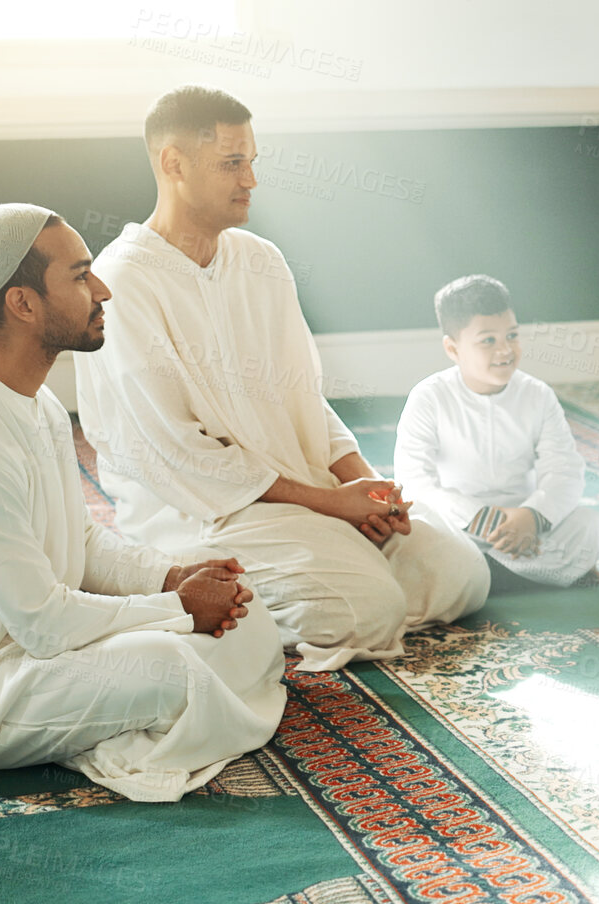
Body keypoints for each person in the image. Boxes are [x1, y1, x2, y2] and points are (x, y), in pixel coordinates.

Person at [0, 203, 285, 801]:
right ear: (24, 303)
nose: (103, 290)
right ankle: (135, 734)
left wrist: (171, 575)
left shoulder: (31, 402)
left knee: (250, 619)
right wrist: (179, 609)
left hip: (38, 652)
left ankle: (150, 725)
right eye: (81, 276)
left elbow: (80, 542)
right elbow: (42, 624)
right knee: (172, 666)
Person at [75, 86, 488, 671]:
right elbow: (175, 457)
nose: (250, 180)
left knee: (461, 574)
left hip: (303, 487)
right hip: (203, 512)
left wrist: (366, 489)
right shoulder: (123, 282)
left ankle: (339, 568)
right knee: (365, 609)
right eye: (231, 163)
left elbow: (304, 401)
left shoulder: (260, 260)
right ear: (173, 164)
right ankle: (206, 590)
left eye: (252, 161)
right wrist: (329, 504)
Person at [393, 275, 599, 588]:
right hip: (461, 525)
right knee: (416, 531)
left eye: (512, 335)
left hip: (528, 526)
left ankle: (486, 577)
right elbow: (415, 481)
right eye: (488, 340)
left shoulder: (537, 395)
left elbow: (565, 470)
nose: (505, 350)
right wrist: (487, 521)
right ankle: (529, 574)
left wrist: (532, 516)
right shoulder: (429, 397)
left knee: (590, 524)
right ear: (453, 348)